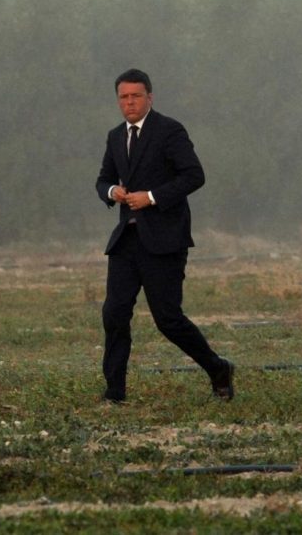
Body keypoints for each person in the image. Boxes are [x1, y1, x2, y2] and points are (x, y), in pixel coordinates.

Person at [95, 68, 234, 404]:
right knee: (114, 314)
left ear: (150, 97)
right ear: (118, 101)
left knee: (168, 320)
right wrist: (113, 191)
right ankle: (115, 393)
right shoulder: (115, 136)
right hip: (125, 242)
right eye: (124, 97)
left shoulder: (169, 131)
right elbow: (102, 180)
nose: (129, 102)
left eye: (136, 96)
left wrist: (151, 197)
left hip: (164, 241)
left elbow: (194, 175)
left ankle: (218, 369)